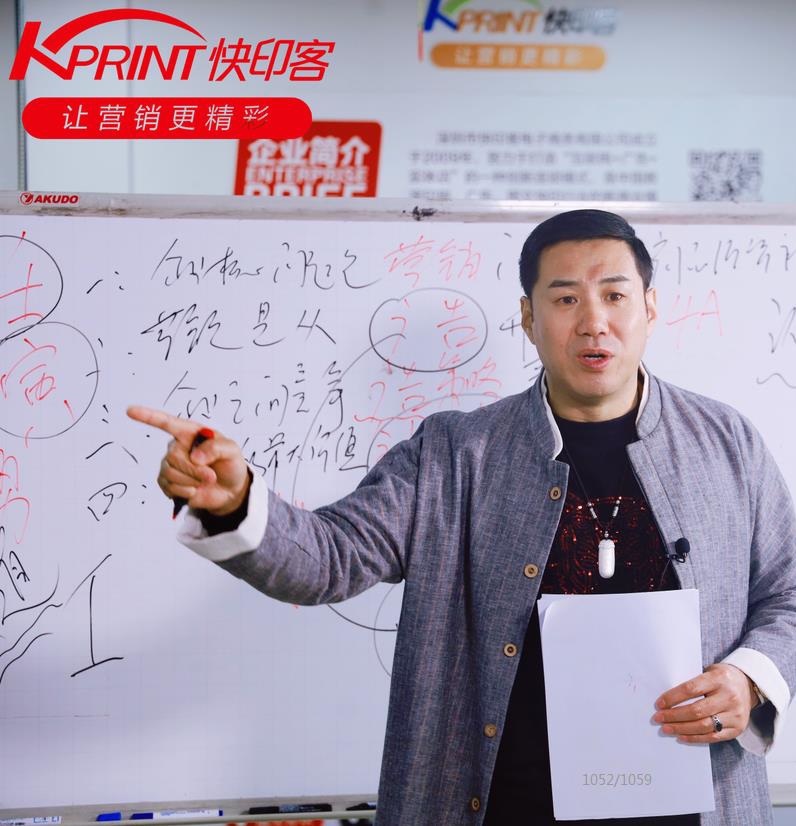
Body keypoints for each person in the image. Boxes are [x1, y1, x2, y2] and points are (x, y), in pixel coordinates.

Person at [128, 209, 796, 826]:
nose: (594, 322)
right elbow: (329, 557)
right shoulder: (453, 453)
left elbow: (788, 592)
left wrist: (750, 678)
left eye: (615, 296)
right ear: (528, 317)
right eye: (565, 299)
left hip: (697, 807)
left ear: (649, 307)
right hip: (503, 806)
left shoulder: (726, 443)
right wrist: (237, 501)